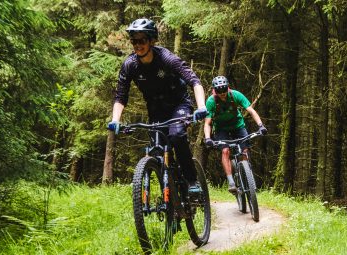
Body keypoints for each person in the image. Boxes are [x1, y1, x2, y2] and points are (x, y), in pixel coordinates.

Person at [107, 18, 208, 193]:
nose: (138, 45)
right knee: (157, 150)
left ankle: (191, 180)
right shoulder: (130, 65)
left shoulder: (167, 59)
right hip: (156, 109)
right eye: (134, 41)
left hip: (179, 104)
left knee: (177, 136)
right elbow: (121, 97)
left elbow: (194, 81)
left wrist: (201, 107)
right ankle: (170, 197)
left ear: (152, 41)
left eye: (142, 41)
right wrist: (116, 120)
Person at [204, 75, 267, 193]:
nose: (222, 93)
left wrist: (260, 125)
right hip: (221, 129)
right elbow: (207, 123)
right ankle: (231, 182)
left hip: (238, 126)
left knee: (245, 150)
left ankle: (246, 175)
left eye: (224, 89)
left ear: (228, 88)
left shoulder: (236, 95)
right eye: (219, 90)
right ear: (214, 90)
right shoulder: (211, 101)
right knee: (225, 151)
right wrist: (208, 138)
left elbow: (251, 110)